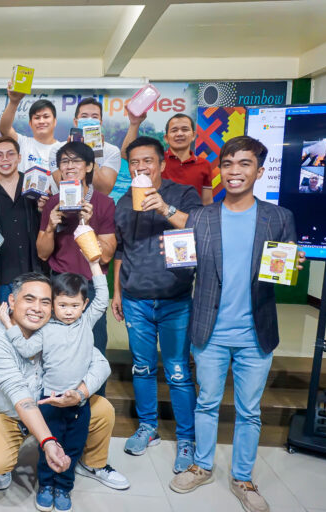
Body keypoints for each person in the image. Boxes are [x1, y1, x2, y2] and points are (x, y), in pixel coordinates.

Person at [170, 136, 305, 512]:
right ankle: (201, 465)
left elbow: (284, 270)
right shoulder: (201, 216)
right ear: (220, 170)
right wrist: (175, 256)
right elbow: (186, 265)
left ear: (259, 171)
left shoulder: (279, 218)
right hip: (209, 331)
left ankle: (243, 478)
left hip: (255, 333)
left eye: (244, 164)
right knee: (207, 403)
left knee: (249, 410)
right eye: (227, 164)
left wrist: (293, 267)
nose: (234, 171)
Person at [0, 273, 127, 497]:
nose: (37, 308)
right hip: (9, 414)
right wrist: (48, 441)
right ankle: (7, 460)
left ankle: (91, 463)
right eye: (29, 299)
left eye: (45, 302)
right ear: (12, 301)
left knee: (102, 409)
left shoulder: (59, 328)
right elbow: (19, 395)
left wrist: (80, 393)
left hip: (54, 408)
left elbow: (100, 364)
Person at [112, 136, 202, 472]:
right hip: (135, 299)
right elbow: (121, 250)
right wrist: (118, 293)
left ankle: (187, 439)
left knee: (178, 372)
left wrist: (163, 207)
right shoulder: (123, 202)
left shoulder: (183, 194)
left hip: (176, 298)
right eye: (134, 163)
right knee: (143, 367)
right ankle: (148, 427)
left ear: (162, 163)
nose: (140, 168)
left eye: (147, 161)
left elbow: (198, 230)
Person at [37, 142, 116, 394]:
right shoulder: (52, 203)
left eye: (76, 161)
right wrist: (50, 226)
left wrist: (87, 223)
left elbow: (106, 256)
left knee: (95, 347)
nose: (69, 167)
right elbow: (42, 252)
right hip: (59, 284)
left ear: (89, 166)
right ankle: (54, 399)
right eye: (64, 162)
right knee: (55, 349)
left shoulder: (103, 204)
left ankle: (94, 402)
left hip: (90, 288)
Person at [0, 136, 43, 330]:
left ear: (19, 157)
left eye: (10, 154)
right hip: (4, 272)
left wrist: (43, 209)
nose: (5, 159)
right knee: (11, 326)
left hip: (35, 270)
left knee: (36, 324)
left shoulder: (35, 187)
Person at [123, 112, 213, 205]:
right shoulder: (157, 161)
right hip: (157, 214)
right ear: (166, 138)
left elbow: (207, 202)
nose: (179, 134)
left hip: (190, 217)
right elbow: (126, 154)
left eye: (185, 129)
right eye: (174, 130)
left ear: (193, 135)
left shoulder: (204, 165)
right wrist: (134, 124)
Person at [0, 87, 63, 175]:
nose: (41, 121)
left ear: (55, 121)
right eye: (37, 118)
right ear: (30, 123)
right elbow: (4, 129)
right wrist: (14, 102)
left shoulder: (63, 149)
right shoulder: (23, 143)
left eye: (46, 116)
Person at [70, 97, 122, 195]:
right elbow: (62, 186)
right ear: (76, 122)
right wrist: (71, 153)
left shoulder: (112, 151)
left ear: (100, 122)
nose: (89, 120)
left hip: (97, 206)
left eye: (94, 117)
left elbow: (104, 191)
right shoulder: (59, 149)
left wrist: (93, 153)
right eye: (84, 116)